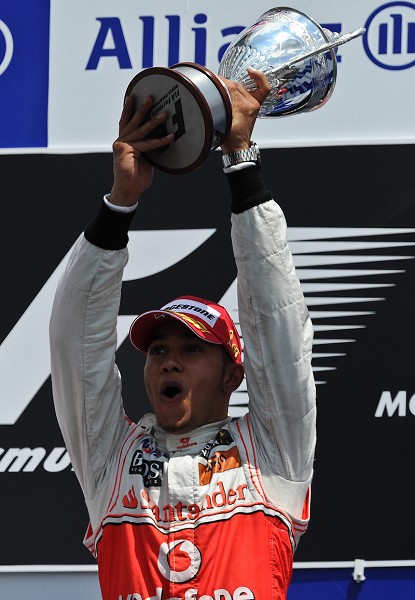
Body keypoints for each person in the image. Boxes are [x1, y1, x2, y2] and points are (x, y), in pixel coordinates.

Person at [49, 69, 316, 600]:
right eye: (159, 350)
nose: (169, 361)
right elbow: (74, 341)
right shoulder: (110, 460)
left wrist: (241, 160)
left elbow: (276, 321)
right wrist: (121, 200)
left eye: (192, 349)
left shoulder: (272, 452)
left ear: (232, 375)